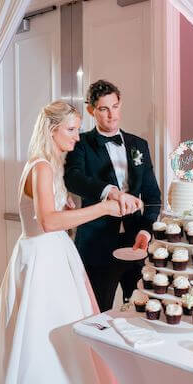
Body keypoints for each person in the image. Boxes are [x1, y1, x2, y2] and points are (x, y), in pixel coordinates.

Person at [0, 101, 118, 384]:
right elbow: (48, 223)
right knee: (46, 330)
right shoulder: (42, 168)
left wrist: (72, 210)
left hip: (49, 253)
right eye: (72, 130)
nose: (77, 137)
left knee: (54, 326)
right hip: (43, 258)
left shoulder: (46, 166)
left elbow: (57, 218)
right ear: (53, 130)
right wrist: (102, 208)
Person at [64, 79, 162, 311]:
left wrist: (145, 232)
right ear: (91, 110)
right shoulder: (81, 143)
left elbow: (153, 196)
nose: (111, 115)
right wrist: (109, 191)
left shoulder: (139, 145)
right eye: (104, 109)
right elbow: (73, 178)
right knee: (97, 312)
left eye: (115, 106)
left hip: (135, 245)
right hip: (95, 245)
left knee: (140, 311)